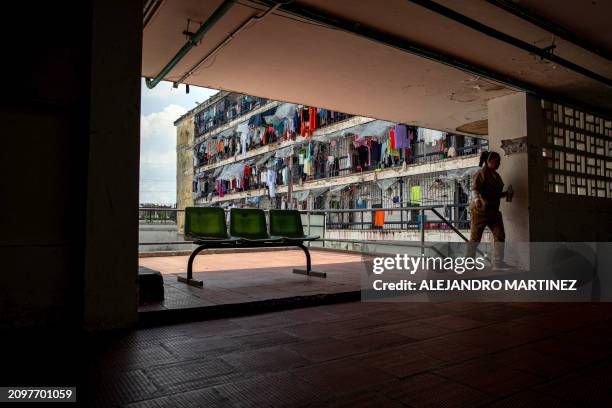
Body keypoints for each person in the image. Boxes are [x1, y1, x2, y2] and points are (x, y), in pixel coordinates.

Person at [468, 151, 512, 268]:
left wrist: (505, 194)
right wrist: (476, 199)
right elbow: (474, 189)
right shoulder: (481, 174)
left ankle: (498, 262)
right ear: (489, 161)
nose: (499, 163)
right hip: (480, 212)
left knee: (500, 235)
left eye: (499, 161)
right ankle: (468, 263)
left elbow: (495, 194)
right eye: (497, 161)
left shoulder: (497, 176)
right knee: (475, 239)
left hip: (493, 211)